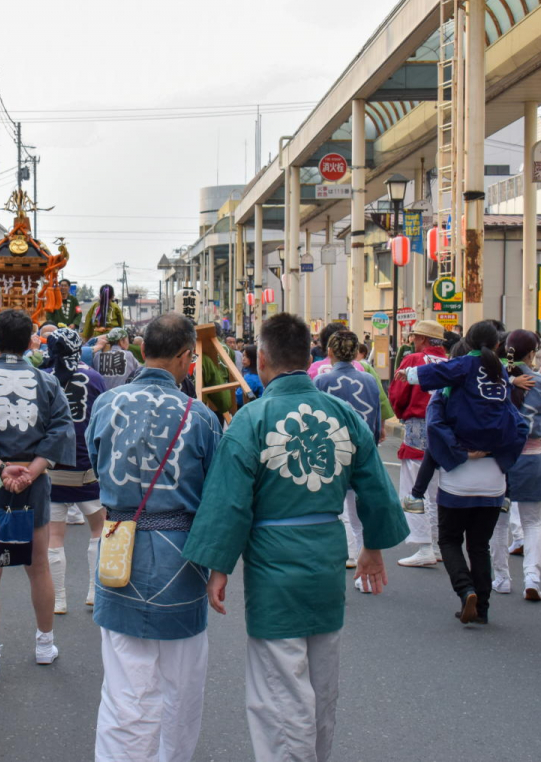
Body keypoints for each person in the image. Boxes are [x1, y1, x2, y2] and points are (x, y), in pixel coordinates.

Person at [183, 313, 406, 762]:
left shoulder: (252, 418)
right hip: (325, 554)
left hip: (273, 562)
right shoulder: (342, 415)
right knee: (322, 684)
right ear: (310, 357)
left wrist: (218, 566)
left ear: (262, 359)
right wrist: (372, 548)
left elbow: (230, 501)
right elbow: (376, 489)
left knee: (280, 691)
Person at [87, 312, 223, 761]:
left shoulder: (107, 404)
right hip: (180, 560)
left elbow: (95, 456)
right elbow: (214, 491)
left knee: (124, 688)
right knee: (181, 687)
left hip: (119, 550)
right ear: (186, 357)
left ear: (142, 351)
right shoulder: (200, 416)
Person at [0, 309, 75, 683]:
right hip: (34, 481)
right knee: (37, 566)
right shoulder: (47, 382)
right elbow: (61, 427)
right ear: (31, 343)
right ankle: (44, 645)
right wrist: (33, 470)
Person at [420, 334, 523, 626]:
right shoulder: (501, 388)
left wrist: (460, 452)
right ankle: (484, 608)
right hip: (493, 480)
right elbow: (520, 426)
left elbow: (435, 427)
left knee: (450, 540)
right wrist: (501, 457)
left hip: (458, 478)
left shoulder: (446, 393)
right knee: (479, 545)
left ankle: (465, 591)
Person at [489, 331, 541, 602]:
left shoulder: (495, 380)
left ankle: (502, 579)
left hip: (499, 459)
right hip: (533, 457)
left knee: (498, 522)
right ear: (532, 354)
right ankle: (533, 578)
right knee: (533, 522)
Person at [43, 327, 108, 614]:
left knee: (54, 537)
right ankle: (94, 592)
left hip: (52, 468)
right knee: (99, 529)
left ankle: (57, 598)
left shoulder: (43, 378)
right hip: (88, 468)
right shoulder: (94, 378)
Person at [315, 330, 387, 573]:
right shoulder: (367, 379)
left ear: (330, 352)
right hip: (362, 453)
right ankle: (362, 566)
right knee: (359, 514)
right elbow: (375, 420)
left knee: (331, 512)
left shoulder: (321, 381)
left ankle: (338, 559)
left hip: (331, 452)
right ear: (357, 352)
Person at [387, 319, 449, 566]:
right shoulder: (450, 362)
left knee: (415, 487)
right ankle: (437, 543)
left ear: (421, 339)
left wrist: (401, 413)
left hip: (418, 427)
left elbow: (398, 393)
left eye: (414, 337)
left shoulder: (414, 361)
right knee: (439, 489)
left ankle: (424, 546)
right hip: (447, 430)